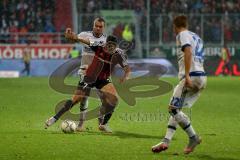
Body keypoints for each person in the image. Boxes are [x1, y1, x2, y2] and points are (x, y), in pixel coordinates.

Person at [45, 31, 131, 133]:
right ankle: (54, 118)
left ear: (116, 46)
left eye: (113, 45)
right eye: (109, 45)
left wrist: (126, 77)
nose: (110, 47)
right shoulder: (99, 47)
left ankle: (103, 124)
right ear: (106, 44)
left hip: (103, 80)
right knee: (76, 100)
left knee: (114, 100)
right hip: (90, 78)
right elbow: (88, 41)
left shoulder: (119, 54)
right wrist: (76, 37)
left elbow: (127, 69)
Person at [152, 15, 207, 154]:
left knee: (173, 109)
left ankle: (193, 137)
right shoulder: (196, 36)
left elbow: (188, 51)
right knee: (176, 109)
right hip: (202, 76)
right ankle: (166, 141)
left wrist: (187, 74)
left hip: (192, 77)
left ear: (175, 26)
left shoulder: (182, 34)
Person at [74, 17, 107, 131]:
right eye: (96, 26)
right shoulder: (84, 34)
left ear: (104, 28)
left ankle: (101, 123)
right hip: (85, 72)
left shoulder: (105, 40)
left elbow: (95, 44)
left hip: (99, 74)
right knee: (83, 97)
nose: (98, 28)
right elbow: (74, 39)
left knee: (104, 99)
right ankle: (81, 124)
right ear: (93, 25)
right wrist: (70, 36)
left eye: (100, 26)